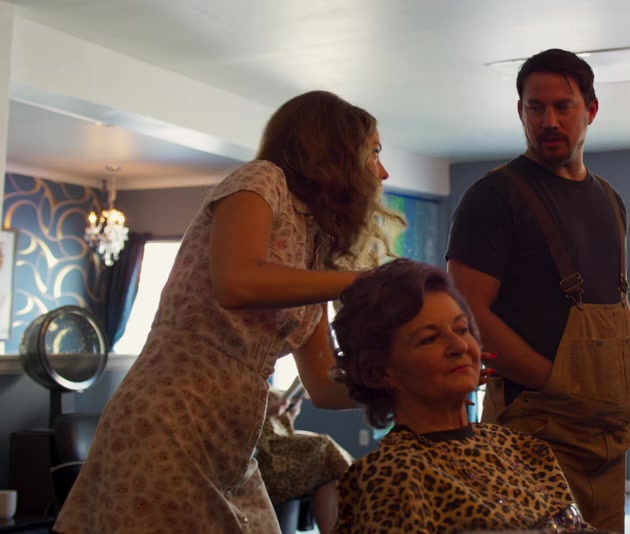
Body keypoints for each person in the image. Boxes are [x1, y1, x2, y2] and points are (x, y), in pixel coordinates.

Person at [55, 90, 394, 533]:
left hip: (232, 445)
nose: (382, 172)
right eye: (374, 152)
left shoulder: (317, 248)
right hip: (168, 421)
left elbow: (324, 387)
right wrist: (358, 282)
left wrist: (403, 383)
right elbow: (237, 282)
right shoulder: (261, 181)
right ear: (334, 150)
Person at [446, 48, 630, 532]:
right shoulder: (494, 197)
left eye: (563, 106)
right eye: (536, 107)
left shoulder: (611, 200)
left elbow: (617, 303)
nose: (548, 121)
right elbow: (465, 312)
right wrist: (552, 381)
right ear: (521, 111)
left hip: (608, 438)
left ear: (591, 110)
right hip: (534, 431)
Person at [329, 259, 592, 534]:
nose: (459, 346)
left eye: (462, 330)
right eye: (429, 339)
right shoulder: (392, 475)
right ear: (380, 371)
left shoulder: (522, 447)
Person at [256, 387, 353, 534]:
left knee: (331, 460)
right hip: (267, 452)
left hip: (280, 443)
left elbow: (283, 427)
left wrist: (293, 410)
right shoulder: (245, 387)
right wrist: (266, 411)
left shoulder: (270, 390)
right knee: (325, 448)